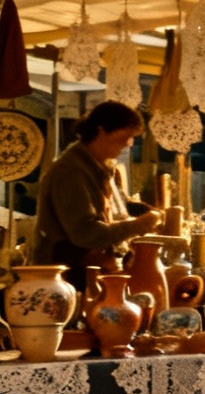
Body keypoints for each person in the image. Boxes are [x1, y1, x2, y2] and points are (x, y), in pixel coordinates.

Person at [33, 101, 163, 287]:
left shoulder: (99, 165)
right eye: (124, 137)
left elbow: (117, 205)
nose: (128, 144)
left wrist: (148, 212)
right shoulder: (71, 171)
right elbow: (86, 233)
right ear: (101, 131)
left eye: (131, 139)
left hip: (86, 270)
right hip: (64, 278)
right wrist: (137, 226)